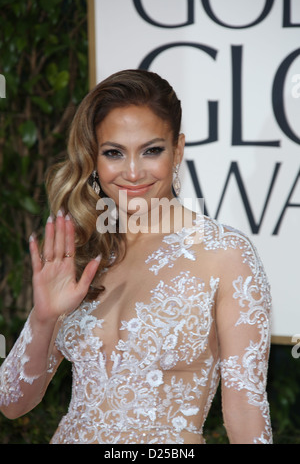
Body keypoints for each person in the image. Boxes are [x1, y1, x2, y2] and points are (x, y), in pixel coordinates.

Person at [0, 69, 272, 444]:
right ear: (93, 159)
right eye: (114, 153)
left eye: (151, 150)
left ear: (178, 150)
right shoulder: (80, 252)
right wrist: (44, 317)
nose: (132, 172)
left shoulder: (225, 255)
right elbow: (11, 403)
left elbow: (245, 413)